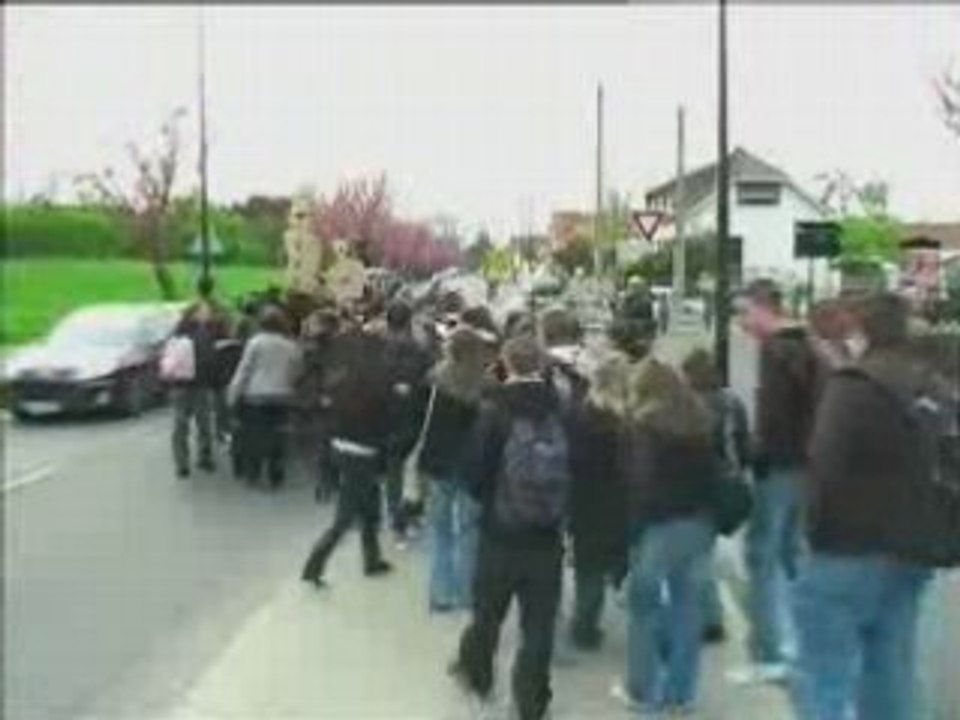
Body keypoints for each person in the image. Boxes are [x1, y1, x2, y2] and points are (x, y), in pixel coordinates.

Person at [792, 293, 953, 720]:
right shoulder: (933, 386)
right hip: (913, 546)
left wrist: (813, 533)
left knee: (825, 674)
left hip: (847, 546)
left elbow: (825, 464)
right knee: (891, 666)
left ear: (861, 331)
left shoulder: (855, 385)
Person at [451, 336, 571, 720]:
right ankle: (532, 701)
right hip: (547, 536)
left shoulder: (495, 410)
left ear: (506, 363)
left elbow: (473, 472)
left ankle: (480, 676)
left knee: (488, 613)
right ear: (541, 363)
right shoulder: (563, 409)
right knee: (538, 626)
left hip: (500, 531)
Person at [611, 358, 720, 716]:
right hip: (699, 523)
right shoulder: (701, 421)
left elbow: (637, 483)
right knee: (688, 608)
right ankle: (681, 693)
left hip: (657, 525)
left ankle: (642, 690)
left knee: (645, 609)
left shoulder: (642, 426)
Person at [731, 278, 820, 685]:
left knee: (761, 554)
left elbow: (775, 418)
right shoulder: (808, 347)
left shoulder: (777, 351)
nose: (741, 321)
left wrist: (755, 453)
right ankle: (801, 642)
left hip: (780, 466)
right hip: (806, 465)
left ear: (765, 309)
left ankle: (770, 651)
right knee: (791, 553)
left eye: (745, 311)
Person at [300, 322, 395, 587]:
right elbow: (385, 422)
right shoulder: (377, 383)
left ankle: (372, 559)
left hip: (341, 448)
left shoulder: (343, 378)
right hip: (362, 454)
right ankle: (314, 564)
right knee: (345, 518)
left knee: (369, 509)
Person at [418, 326, 494, 612]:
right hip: (472, 467)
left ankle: (440, 592)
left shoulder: (434, 379)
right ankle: (467, 592)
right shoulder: (487, 386)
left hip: (437, 463)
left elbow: (419, 423)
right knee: (470, 532)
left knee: (440, 531)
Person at [682, 348, 751, 645]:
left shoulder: (687, 405)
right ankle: (711, 615)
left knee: (697, 556)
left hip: (698, 486)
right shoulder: (732, 402)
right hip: (728, 482)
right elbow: (744, 445)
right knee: (708, 553)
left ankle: (708, 617)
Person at [567, 356, 629, 651]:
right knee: (619, 562)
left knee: (588, 568)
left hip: (585, 501)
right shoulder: (629, 420)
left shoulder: (580, 414)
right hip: (621, 502)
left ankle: (585, 625)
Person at [227, 307, 303, 489]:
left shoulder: (255, 343)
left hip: (256, 396)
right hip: (282, 396)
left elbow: (244, 370)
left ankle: (254, 471)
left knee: (255, 434)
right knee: (279, 433)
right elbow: (297, 372)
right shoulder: (291, 346)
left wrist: (233, 394)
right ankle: (276, 471)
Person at [380, 299, 432, 542]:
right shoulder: (421, 350)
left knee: (392, 467)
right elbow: (428, 383)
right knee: (408, 465)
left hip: (386, 413)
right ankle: (411, 512)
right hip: (414, 414)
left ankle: (394, 515)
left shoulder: (379, 347)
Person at [170, 277, 232, 478]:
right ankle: (192, 460)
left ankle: (192, 459)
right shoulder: (213, 312)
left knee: (190, 422)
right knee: (195, 421)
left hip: (190, 380)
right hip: (195, 378)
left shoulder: (208, 314)